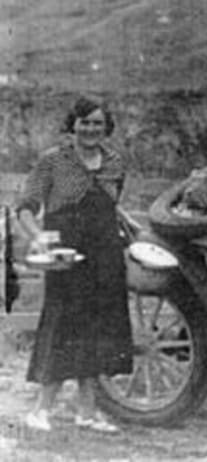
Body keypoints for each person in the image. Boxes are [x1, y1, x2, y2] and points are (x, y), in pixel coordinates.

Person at [18, 95, 132, 433]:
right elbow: (26, 206)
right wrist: (38, 236)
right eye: (85, 122)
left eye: (97, 123)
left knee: (98, 329)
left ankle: (87, 412)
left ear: (106, 127)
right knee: (62, 327)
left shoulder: (114, 162)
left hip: (105, 256)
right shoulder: (53, 161)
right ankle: (40, 410)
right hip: (66, 256)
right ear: (74, 125)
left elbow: (112, 206)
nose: (91, 129)